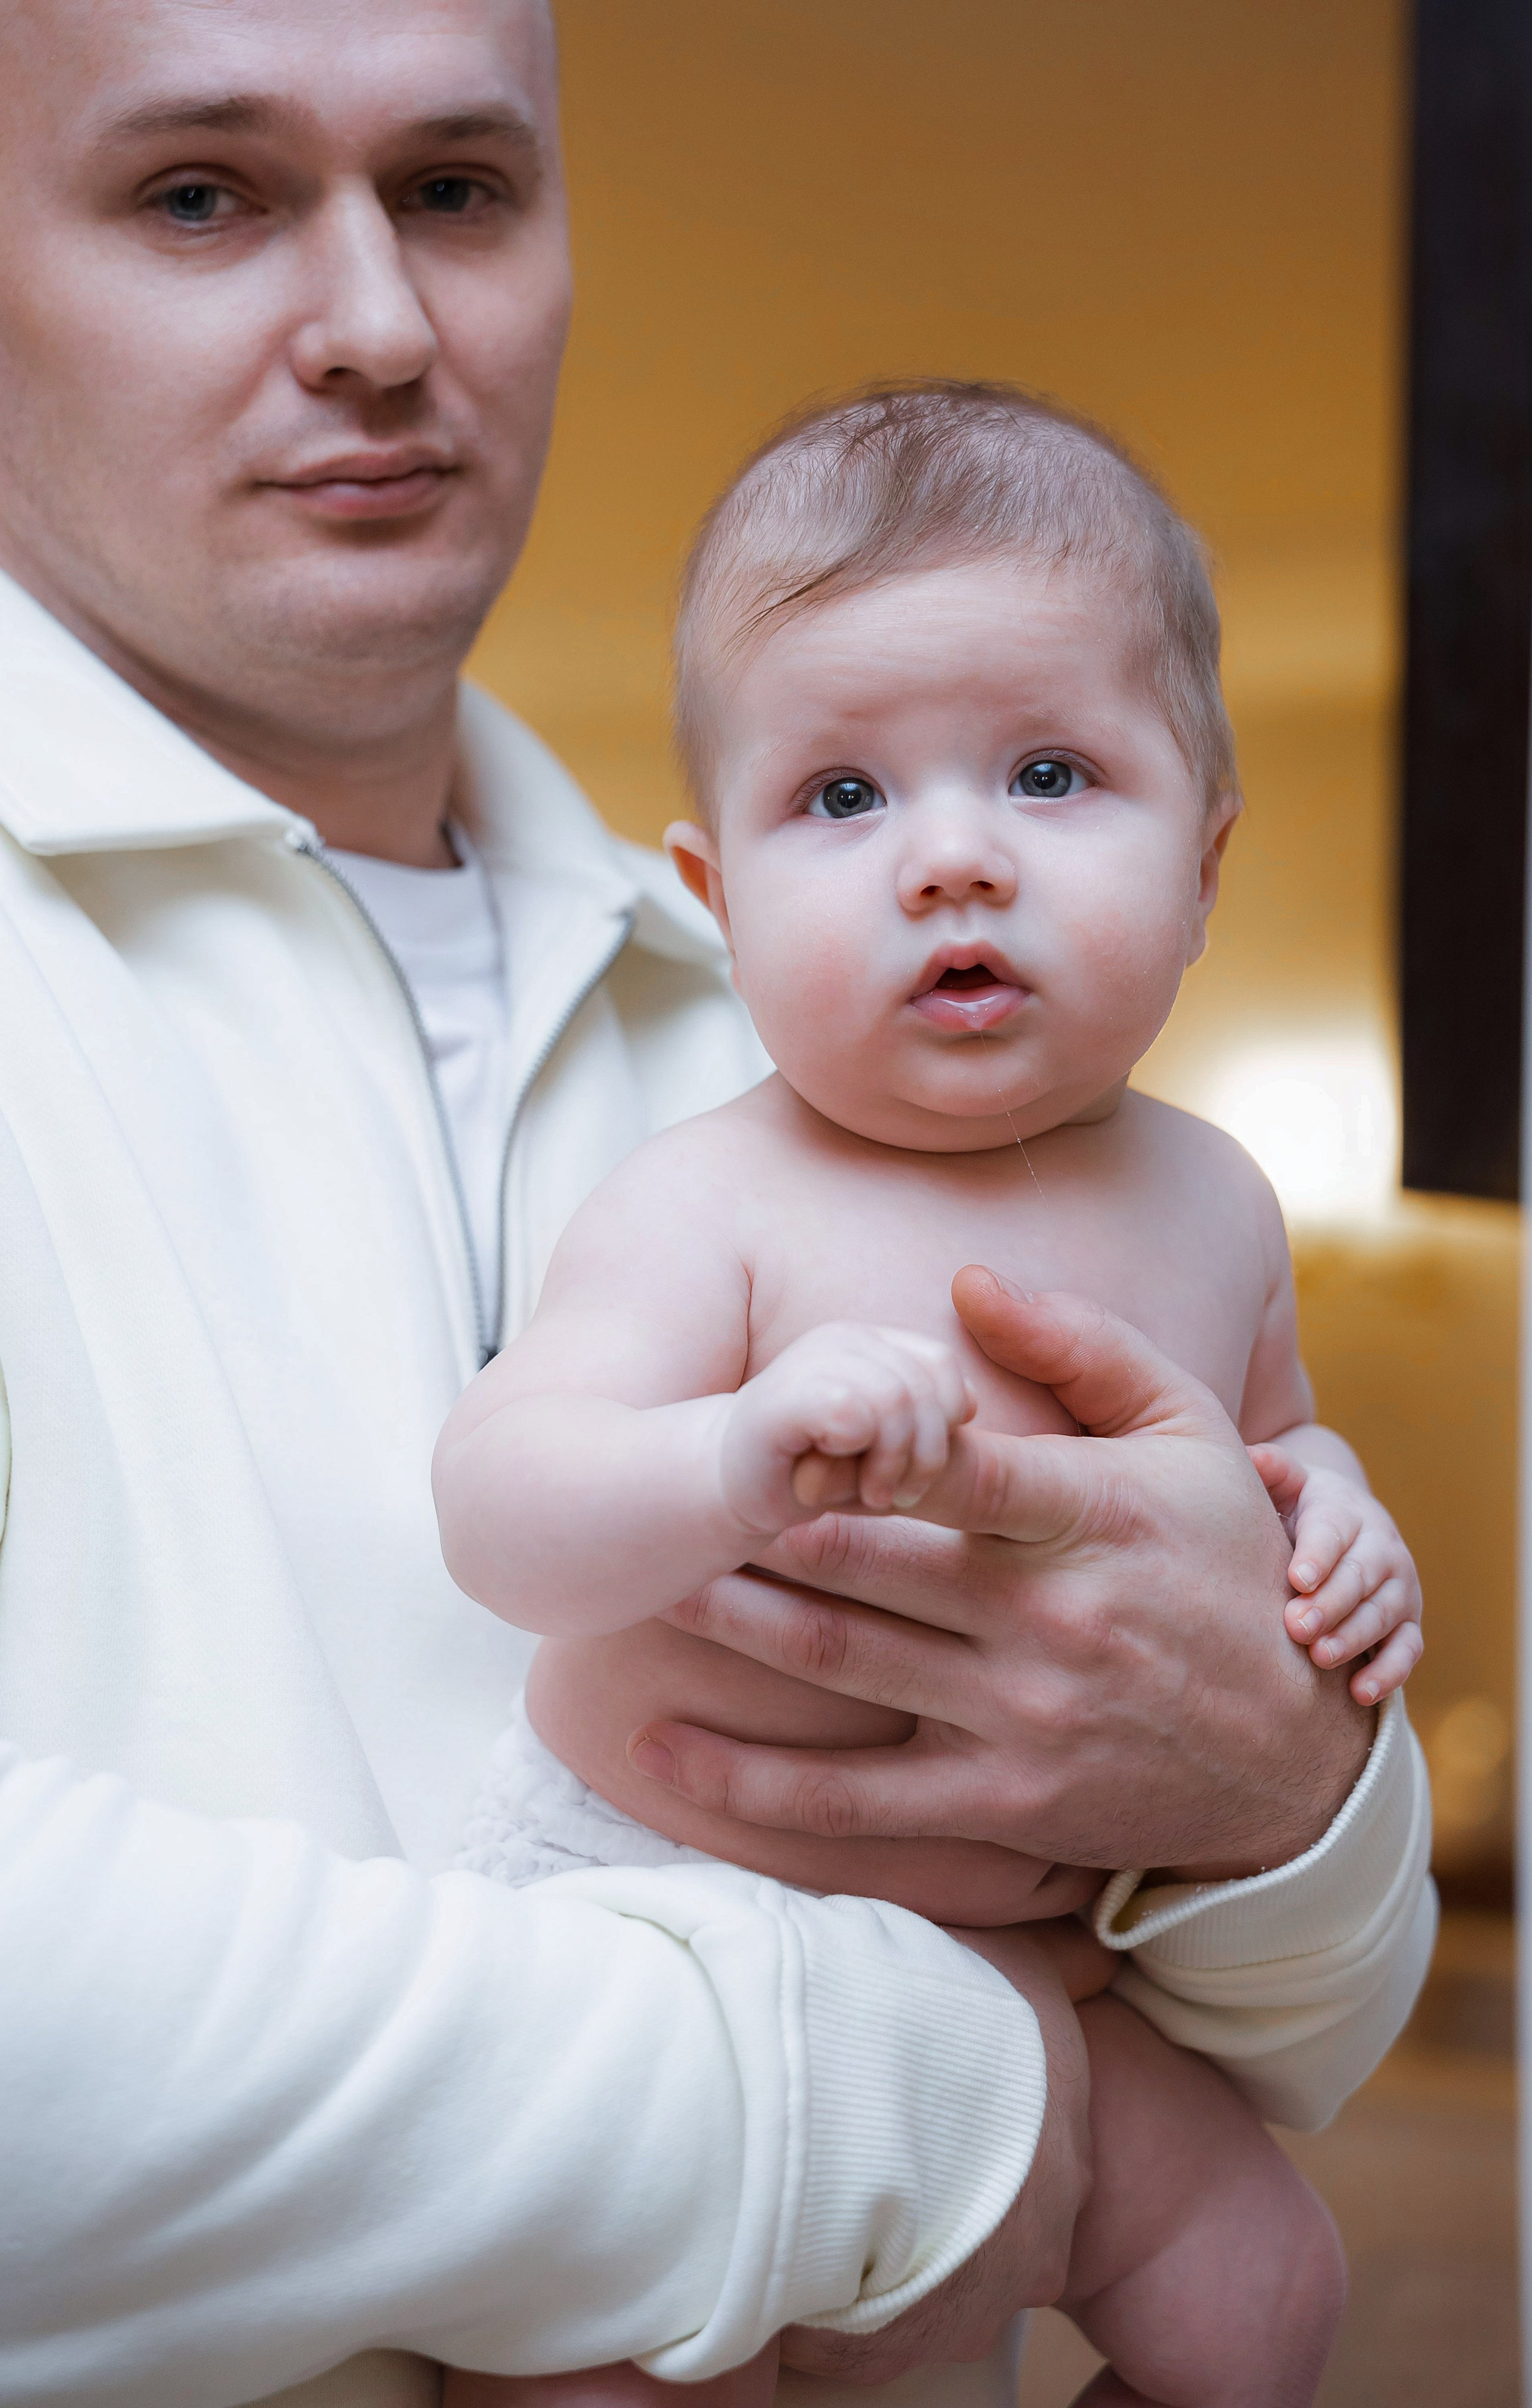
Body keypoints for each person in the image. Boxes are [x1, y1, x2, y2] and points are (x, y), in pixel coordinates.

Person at [0, 5, 1434, 2405]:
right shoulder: (740, 1154)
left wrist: (1296, 1780)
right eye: (199, 195)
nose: (378, 325)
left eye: (458, 189)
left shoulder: (833, 1021)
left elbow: (1312, 2012)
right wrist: (911, 2097)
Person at [433, 385, 1423, 2408]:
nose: (954, 860)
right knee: (593, 2361)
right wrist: (727, 1456)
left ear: (1207, 858)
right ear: (717, 898)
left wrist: (1333, 1510)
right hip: (668, 1928)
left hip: (1039, 1957)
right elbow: (503, 1507)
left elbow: (1266, 1449)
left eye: (1051, 774)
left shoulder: (1217, 1199)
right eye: (844, 797)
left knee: (1269, 2292)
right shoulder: (709, 1199)